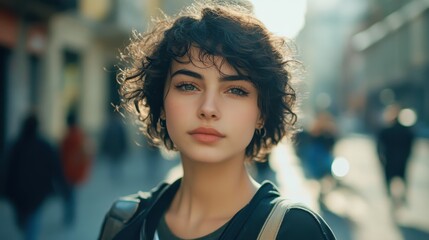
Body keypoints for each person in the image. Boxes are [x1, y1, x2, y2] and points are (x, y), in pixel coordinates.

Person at [98, 1, 336, 239]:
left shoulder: (296, 231)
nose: (208, 109)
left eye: (235, 90)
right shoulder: (123, 222)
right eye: (188, 86)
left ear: (262, 113)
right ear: (161, 103)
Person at [5, 112, 66, 240]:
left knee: (26, 219)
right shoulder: (44, 145)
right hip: (37, 192)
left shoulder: (16, 145)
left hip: (19, 192)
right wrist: (61, 184)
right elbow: (55, 167)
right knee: (32, 220)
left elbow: (7, 169)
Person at [376, 105, 415, 207]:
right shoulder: (406, 131)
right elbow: (411, 144)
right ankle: (403, 195)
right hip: (401, 159)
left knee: (389, 177)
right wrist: (408, 155)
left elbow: (379, 145)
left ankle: (390, 193)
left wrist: (380, 156)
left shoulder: (386, 130)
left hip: (389, 158)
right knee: (403, 176)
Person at [60, 110, 93, 226]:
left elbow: (61, 155)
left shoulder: (67, 137)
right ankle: (70, 215)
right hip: (76, 171)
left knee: (69, 195)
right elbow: (87, 153)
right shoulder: (80, 135)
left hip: (67, 171)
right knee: (72, 194)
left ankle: (69, 215)